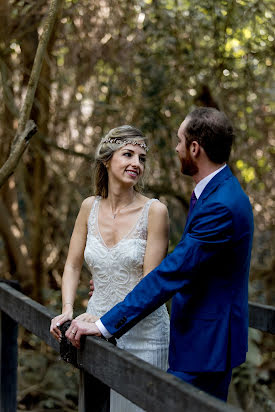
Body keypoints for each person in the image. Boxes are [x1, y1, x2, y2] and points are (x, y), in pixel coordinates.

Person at [66, 107, 254, 402]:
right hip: (196, 339)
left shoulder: (221, 204)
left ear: (194, 148)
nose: (176, 148)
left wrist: (103, 324)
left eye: (180, 141)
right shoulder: (212, 192)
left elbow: (173, 271)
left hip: (206, 345)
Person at [50, 125, 170, 412]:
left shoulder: (155, 212)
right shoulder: (88, 207)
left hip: (144, 334)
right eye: (128, 154)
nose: (136, 164)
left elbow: (149, 285)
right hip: (92, 330)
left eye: (141, 158)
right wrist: (67, 309)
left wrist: (106, 323)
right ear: (106, 160)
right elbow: (72, 263)